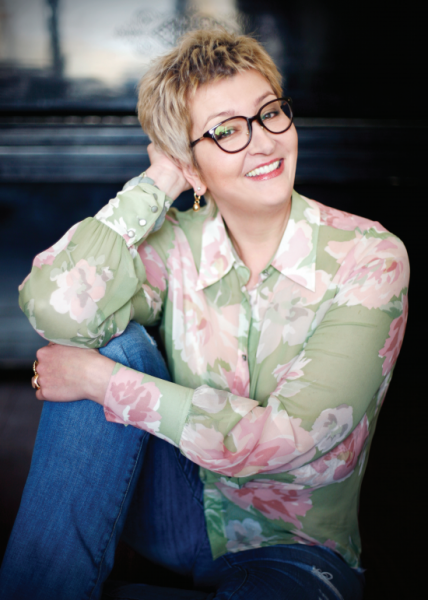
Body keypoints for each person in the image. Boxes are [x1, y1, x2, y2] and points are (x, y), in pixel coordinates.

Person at [0, 29, 409, 600]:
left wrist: (104, 383)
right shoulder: (176, 244)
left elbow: (287, 438)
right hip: (176, 510)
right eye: (225, 130)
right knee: (114, 346)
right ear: (191, 164)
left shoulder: (370, 257)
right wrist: (159, 181)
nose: (263, 142)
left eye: (270, 113)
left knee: (102, 371)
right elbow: (57, 309)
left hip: (293, 546)